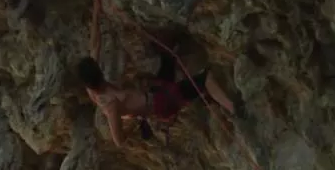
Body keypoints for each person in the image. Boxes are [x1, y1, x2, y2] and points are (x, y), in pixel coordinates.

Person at [77, 53, 235, 147]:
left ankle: (203, 94)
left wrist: (97, 10)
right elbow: (118, 140)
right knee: (205, 78)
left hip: (156, 92)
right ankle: (233, 108)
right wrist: (134, 123)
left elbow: (95, 46)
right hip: (161, 102)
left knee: (168, 56)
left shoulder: (93, 88)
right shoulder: (111, 105)